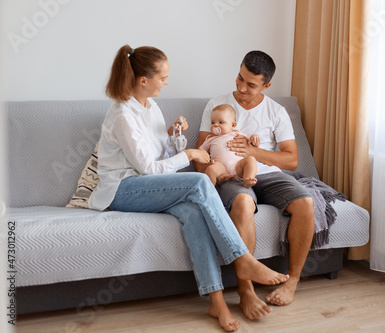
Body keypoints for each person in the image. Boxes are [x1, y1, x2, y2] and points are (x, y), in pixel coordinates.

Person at [88, 45, 289, 332]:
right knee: (199, 180)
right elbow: (147, 168)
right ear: (143, 80)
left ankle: (216, 300)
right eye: (163, 77)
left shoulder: (150, 107)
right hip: (123, 189)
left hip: (149, 186)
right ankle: (243, 259)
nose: (167, 82)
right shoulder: (123, 115)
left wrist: (174, 136)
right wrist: (191, 155)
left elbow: (160, 153)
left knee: (194, 213)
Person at [195, 51, 315, 320]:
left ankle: (292, 281)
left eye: (251, 84)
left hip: (268, 173)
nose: (241, 88)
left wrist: (253, 152)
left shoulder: (276, 111)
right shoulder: (217, 105)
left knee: (305, 203)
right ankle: (246, 291)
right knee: (243, 201)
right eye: (240, 78)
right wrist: (216, 172)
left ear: (266, 85)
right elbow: (200, 154)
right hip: (231, 176)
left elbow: (292, 160)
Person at [199, 104, 260, 188]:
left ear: (233, 125)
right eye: (213, 122)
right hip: (221, 167)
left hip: (239, 166)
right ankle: (210, 191)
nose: (215, 125)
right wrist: (205, 163)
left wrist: (254, 138)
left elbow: (250, 143)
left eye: (221, 122)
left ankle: (247, 179)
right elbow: (200, 152)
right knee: (211, 169)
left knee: (251, 159)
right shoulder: (210, 138)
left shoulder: (237, 134)